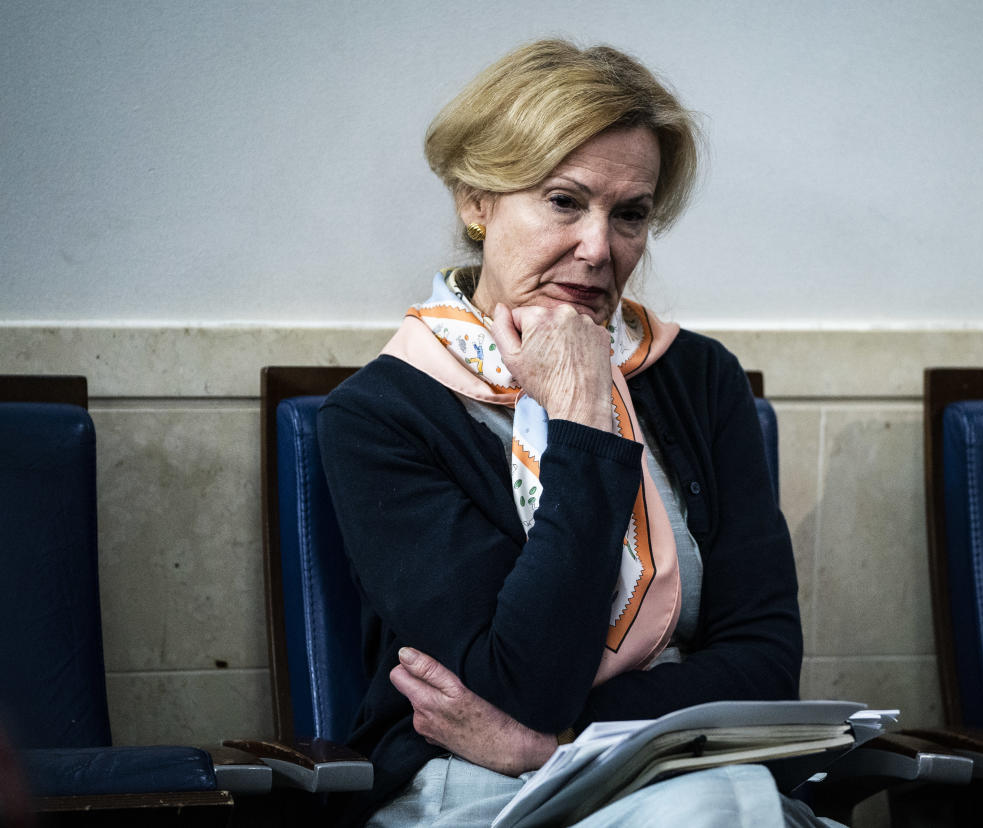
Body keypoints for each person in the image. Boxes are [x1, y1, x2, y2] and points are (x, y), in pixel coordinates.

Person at [318, 39, 813, 826]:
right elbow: (522, 681)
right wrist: (583, 422)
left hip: (674, 763)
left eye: (630, 215)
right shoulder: (380, 416)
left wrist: (561, 742)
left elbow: (766, 664)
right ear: (476, 201)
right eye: (563, 201)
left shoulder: (697, 377)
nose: (597, 248)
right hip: (471, 781)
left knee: (729, 803)